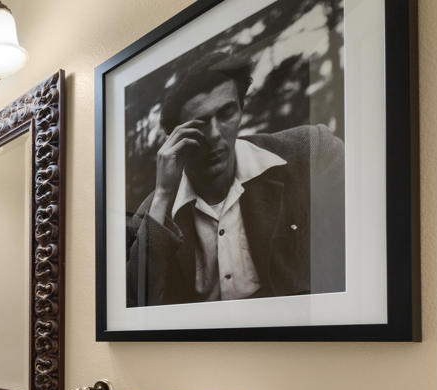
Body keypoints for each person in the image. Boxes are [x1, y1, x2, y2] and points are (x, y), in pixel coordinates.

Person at [126, 52, 345, 307]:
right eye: (199, 124)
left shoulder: (312, 153)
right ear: (175, 136)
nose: (215, 134)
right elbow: (138, 303)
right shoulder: (154, 213)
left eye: (227, 113)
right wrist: (163, 193)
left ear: (241, 109)